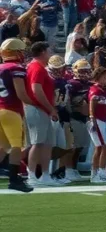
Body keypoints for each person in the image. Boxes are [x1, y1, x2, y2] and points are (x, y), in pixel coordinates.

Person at [24, 41, 62, 187]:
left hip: (42, 109)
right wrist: (50, 108)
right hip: (37, 109)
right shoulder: (36, 67)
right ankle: (32, 175)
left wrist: (49, 109)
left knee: (47, 143)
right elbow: (36, 90)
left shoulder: (39, 67)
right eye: (49, 50)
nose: (51, 53)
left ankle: (45, 175)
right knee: (37, 142)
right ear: (42, 52)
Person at [0, 38, 34, 192]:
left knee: (3, 146)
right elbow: (21, 93)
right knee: (16, 146)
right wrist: (35, 104)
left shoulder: (1, 67)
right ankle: (14, 179)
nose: (23, 54)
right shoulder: (15, 68)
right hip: (11, 110)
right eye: (21, 51)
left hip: (1, 109)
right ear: (15, 52)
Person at [87, 66, 106, 183]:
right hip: (97, 120)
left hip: (103, 120)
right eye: (105, 77)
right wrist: (92, 118)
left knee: (105, 146)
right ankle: (97, 174)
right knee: (101, 146)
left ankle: (100, 172)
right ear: (98, 77)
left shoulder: (104, 90)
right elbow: (92, 102)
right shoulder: (95, 89)